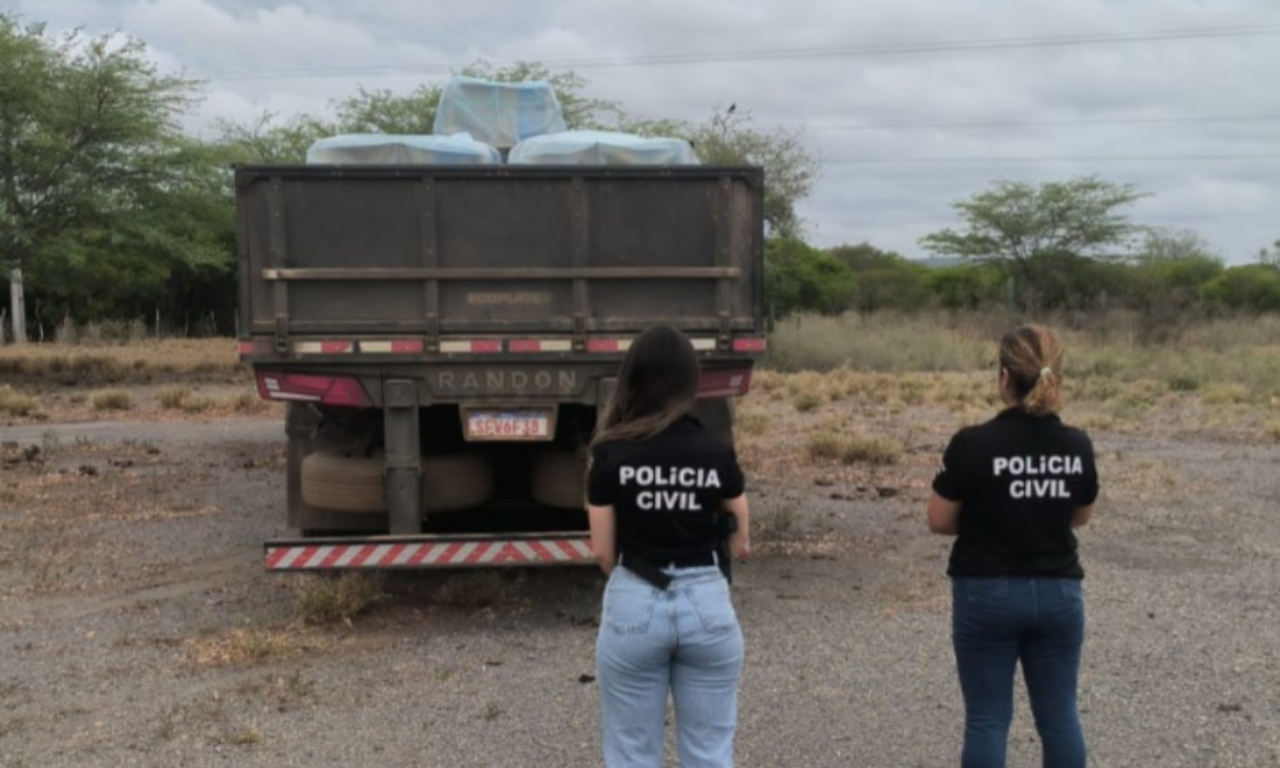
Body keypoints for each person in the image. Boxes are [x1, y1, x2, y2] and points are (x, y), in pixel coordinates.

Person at [926, 324, 1099, 768]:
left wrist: (990, 512)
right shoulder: (1077, 444)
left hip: (986, 593)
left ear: (1004, 376)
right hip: (1059, 592)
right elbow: (1079, 516)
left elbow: (939, 520)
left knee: (986, 720)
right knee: (1060, 720)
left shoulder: (972, 443)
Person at [586, 325, 751, 768]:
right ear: (690, 380)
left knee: (632, 755)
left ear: (631, 378)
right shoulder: (716, 451)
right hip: (707, 603)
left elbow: (602, 551)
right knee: (710, 755)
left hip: (636, 597)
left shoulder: (609, 454)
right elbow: (741, 539)